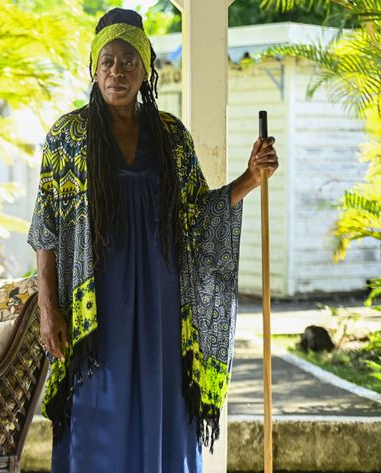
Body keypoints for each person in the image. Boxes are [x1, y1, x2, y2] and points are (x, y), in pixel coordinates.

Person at [26, 8, 279, 472]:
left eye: (128, 61)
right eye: (107, 61)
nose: (117, 71)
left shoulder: (170, 137)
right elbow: (47, 228)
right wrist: (48, 309)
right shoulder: (67, 136)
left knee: (163, 401)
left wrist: (250, 178)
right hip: (95, 305)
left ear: (146, 70)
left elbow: (199, 216)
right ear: (93, 68)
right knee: (99, 408)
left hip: (163, 302)